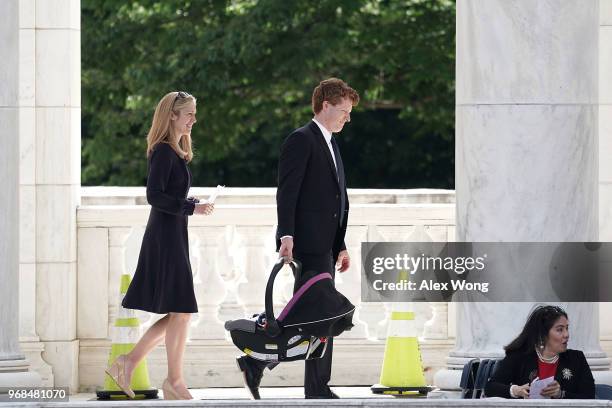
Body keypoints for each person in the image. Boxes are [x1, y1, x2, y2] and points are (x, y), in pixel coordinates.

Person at [235, 78, 359, 399]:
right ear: (325, 105)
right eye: (343, 111)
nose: (347, 117)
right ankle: (310, 383)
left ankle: (259, 363)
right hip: (306, 245)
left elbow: (335, 199)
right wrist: (286, 235)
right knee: (323, 316)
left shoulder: (331, 142)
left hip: (325, 247)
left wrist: (340, 245)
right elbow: (287, 193)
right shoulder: (301, 140)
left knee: (315, 318)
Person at [104, 91, 214, 400]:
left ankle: (139, 367)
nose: (194, 119)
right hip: (165, 238)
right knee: (181, 310)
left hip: (172, 234)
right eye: (189, 114)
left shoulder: (174, 151)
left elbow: (168, 195)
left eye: (194, 113)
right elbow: (154, 196)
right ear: (172, 116)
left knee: (181, 311)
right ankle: (170, 380)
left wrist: (190, 203)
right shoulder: (165, 151)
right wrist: (190, 208)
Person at [485, 305, 595, 399]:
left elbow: (590, 397)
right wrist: (515, 390)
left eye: (567, 328)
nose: (566, 334)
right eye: (560, 329)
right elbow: (490, 388)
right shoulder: (519, 357)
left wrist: (561, 394)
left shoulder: (577, 358)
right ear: (543, 334)